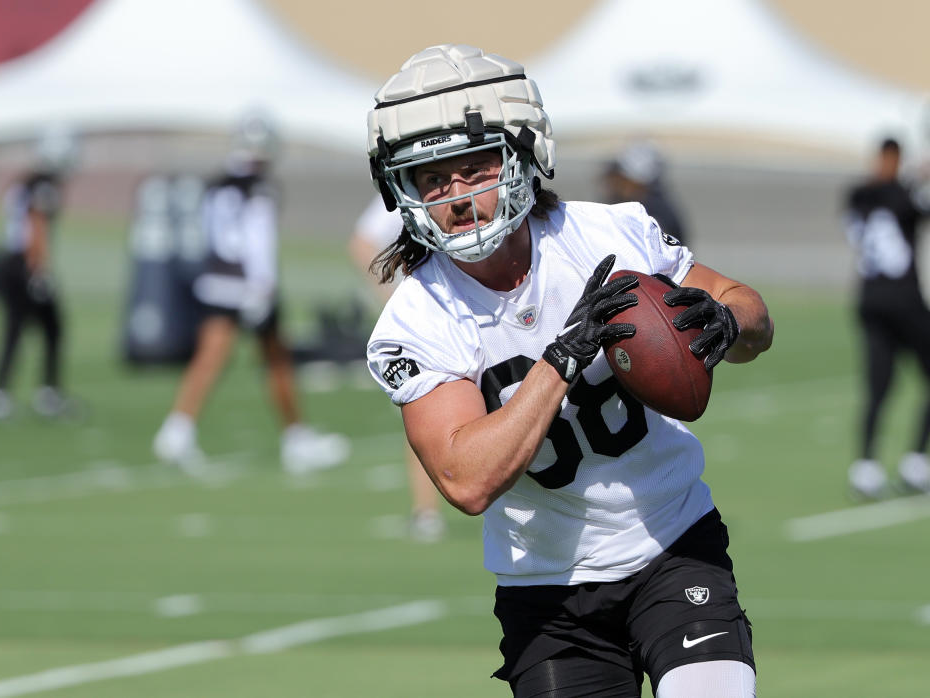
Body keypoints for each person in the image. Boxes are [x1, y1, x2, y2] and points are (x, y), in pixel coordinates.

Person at [365, 45, 774, 697]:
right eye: (433, 180)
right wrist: (560, 361)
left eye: (475, 170)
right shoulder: (414, 321)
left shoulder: (608, 233)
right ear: (402, 191)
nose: (458, 198)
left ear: (523, 154)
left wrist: (726, 325)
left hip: (672, 542)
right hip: (547, 593)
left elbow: (748, 312)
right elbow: (465, 481)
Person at [152, 114, 350, 474]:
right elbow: (258, 242)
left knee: (210, 358)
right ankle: (296, 439)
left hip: (216, 280)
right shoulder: (258, 186)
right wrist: (262, 289)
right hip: (247, 285)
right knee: (276, 361)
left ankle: (177, 429)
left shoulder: (217, 183)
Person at [349, 196, 446, 542]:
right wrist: (392, 302)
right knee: (423, 403)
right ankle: (426, 512)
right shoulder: (408, 189)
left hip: (477, 303)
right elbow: (362, 243)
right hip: (433, 316)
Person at [845, 137, 930, 498]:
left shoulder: (859, 195)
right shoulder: (902, 194)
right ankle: (915, 461)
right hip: (903, 300)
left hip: (869, 300)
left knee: (878, 386)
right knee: (880, 384)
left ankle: (867, 465)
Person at [0, 125, 77, 421]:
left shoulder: (29, 180)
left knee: (40, 328)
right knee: (32, 328)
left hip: (15, 262)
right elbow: (36, 226)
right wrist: (39, 270)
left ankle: (15, 393)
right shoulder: (43, 184)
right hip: (24, 264)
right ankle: (16, 395)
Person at [602, 140, 690, 248]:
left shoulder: (649, 218)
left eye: (619, 176)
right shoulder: (651, 208)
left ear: (636, 180)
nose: (612, 182)